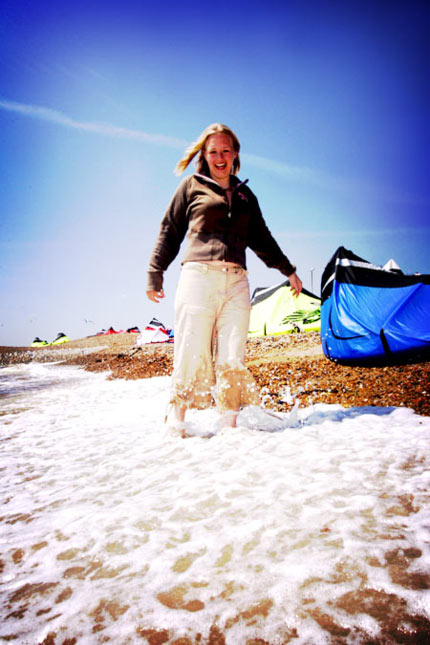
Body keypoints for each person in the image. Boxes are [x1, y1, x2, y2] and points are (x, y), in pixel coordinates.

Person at [146, 123, 302, 436]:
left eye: (225, 151)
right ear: (204, 155)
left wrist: (288, 270)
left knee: (233, 356)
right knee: (191, 351)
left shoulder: (246, 195)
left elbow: (262, 238)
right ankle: (175, 423)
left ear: (235, 155)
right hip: (198, 278)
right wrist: (155, 273)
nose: (220, 157)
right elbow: (170, 229)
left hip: (236, 281)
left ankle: (229, 429)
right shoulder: (191, 186)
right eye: (213, 151)